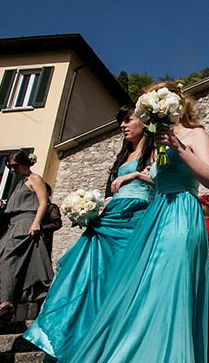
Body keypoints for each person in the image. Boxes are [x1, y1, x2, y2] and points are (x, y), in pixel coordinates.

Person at [56, 82, 209, 362]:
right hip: (157, 214)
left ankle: (176, 351)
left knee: (175, 278)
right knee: (151, 282)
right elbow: (156, 180)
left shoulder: (195, 134)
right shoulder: (156, 142)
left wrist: (179, 147)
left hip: (182, 212)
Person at [23, 105, 155, 359]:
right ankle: (78, 334)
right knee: (88, 274)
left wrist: (136, 175)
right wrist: (93, 208)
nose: (123, 126)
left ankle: (117, 338)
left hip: (135, 219)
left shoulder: (153, 151)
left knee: (119, 279)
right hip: (109, 217)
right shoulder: (124, 155)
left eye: (128, 120)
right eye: (120, 122)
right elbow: (113, 191)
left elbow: (162, 181)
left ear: (144, 121)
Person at [0, 150, 52, 320]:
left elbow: (43, 202)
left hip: (26, 223)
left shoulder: (35, 179)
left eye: (15, 166)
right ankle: (6, 297)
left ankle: (6, 303)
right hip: (12, 225)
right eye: (9, 166)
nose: (12, 170)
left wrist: (36, 222)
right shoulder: (22, 182)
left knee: (8, 260)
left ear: (25, 163)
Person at [39, 184, 62, 258]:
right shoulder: (32, 206)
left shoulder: (51, 207)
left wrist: (41, 228)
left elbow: (57, 223)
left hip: (43, 240)